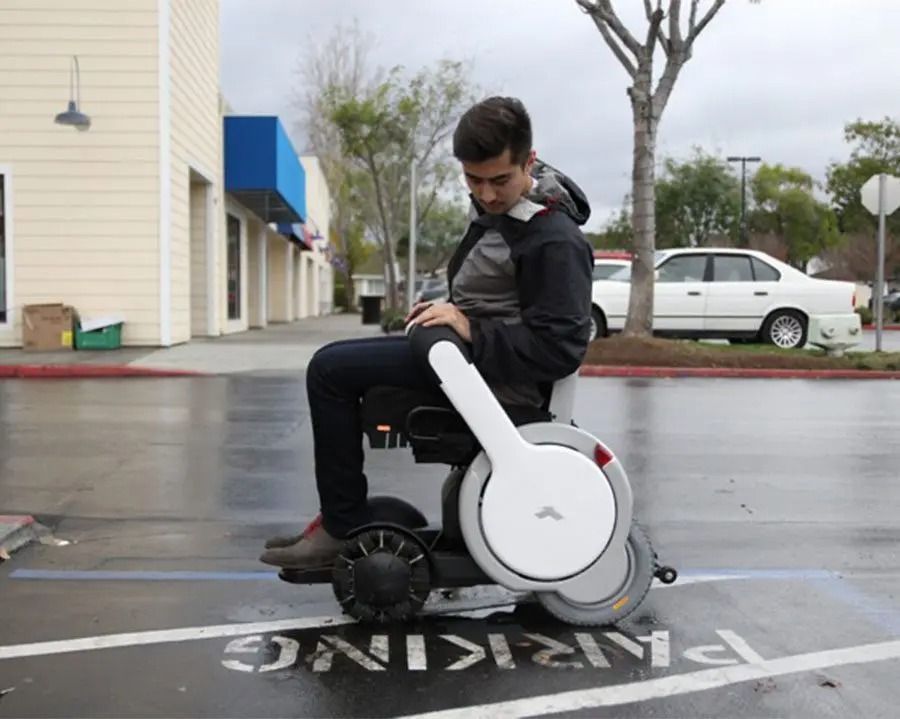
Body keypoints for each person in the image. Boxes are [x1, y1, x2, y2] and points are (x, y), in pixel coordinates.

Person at [259, 96, 594, 570]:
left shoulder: (554, 238)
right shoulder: (503, 213)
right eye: (474, 180)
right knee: (334, 364)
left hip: (496, 384)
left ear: (530, 162)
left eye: (500, 180)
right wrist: (452, 311)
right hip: (465, 361)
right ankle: (344, 516)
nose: (487, 193)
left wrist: (469, 327)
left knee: (330, 371)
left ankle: (340, 526)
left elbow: (560, 348)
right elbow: (500, 297)